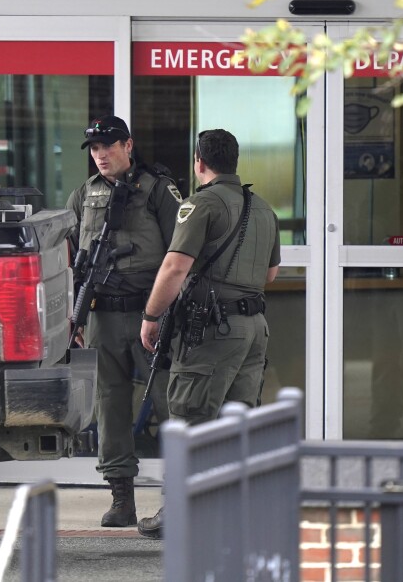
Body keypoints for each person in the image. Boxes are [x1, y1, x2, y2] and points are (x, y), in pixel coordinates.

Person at [137, 128, 281, 539]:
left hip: (213, 328)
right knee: (238, 420)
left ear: (198, 162)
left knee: (192, 416)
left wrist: (151, 315)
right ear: (234, 161)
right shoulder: (263, 208)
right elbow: (270, 273)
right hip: (254, 328)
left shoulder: (200, 205)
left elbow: (174, 267)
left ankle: (180, 513)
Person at [66, 115, 183, 527]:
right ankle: (121, 498)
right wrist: (73, 311)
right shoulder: (84, 194)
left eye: (108, 146)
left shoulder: (157, 189)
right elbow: (71, 256)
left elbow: (180, 252)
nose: (100, 155)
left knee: (171, 401)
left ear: (128, 146)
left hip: (150, 312)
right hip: (103, 314)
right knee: (110, 405)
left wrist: (167, 309)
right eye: (95, 149)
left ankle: (179, 493)